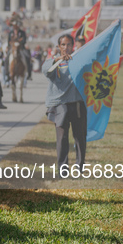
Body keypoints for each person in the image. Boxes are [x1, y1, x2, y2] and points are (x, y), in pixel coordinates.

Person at [42, 34, 86, 175]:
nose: (66, 47)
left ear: (73, 45)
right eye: (63, 45)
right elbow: (45, 70)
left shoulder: (79, 59)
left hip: (77, 104)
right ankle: (63, 169)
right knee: (62, 138)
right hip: (61, 105)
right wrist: (57, 59)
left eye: (68, 45)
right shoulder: (54, 62)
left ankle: (79, 167)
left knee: (80, 137)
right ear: (58, 46)